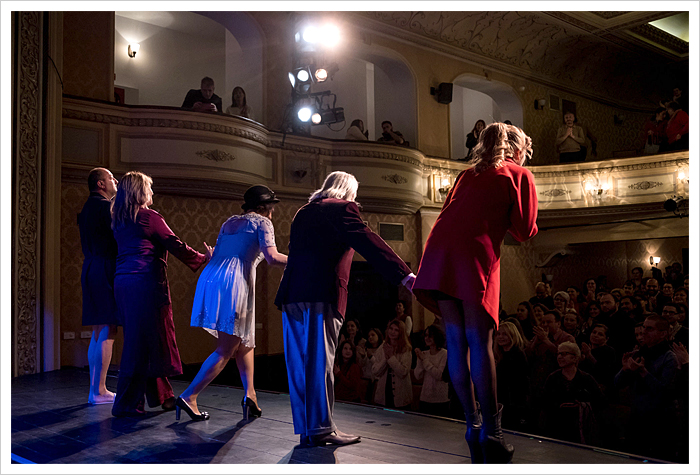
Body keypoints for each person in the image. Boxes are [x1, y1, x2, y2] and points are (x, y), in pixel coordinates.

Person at [412, 122, 538, 464]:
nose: (525, 157)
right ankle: (493, 434)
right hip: (475, 255)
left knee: (456, 341)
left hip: (439, 251)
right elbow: (525, 230)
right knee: (479, 343)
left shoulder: (468, 174)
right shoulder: (517, 175)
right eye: (525, 151)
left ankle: (473, 424)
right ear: (516, 149)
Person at [274, 171, 415, 448]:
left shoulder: (303, 211)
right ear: (349, 192)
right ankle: (323, 428)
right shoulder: (343, 209)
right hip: (322, 292)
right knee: (320, 362)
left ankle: (308, 429)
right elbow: (370, 242)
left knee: (299, 365)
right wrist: (404, 275)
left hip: (292, 294)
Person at [177, 185, 287, 421]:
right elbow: (273, 257)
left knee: (244, 342)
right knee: (227, 348)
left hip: (214, 277)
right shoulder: (262, 222)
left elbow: (220, 254)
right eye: (271, 207)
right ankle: (189, 396)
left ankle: (251, 397)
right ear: (261, 207)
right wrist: (302, 261)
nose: (273, 212)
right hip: (235, 283)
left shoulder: (229, 222)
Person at [110, 172, 211, 417]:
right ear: (139, 191)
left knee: (146, 339)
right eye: (149, 188)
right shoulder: (148, 217)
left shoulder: (120, 219)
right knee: (140, 343)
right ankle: (126, 404)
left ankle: (164, 397)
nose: (153, 193)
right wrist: (203, 258)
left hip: (123, 282)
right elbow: (174, 243)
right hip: (144, 283)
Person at [79, 167, 120, 405]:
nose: (115, 180)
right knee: (108, 328)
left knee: (97, 331)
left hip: (91, 267)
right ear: (101, 184)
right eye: (111, 178)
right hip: (105, 267)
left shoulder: (87, 207)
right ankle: (100, 390)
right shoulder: (105, 207)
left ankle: (95, 389)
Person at [541, 342, 605, 445]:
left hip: (580, 430)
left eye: (564, 354)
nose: (560, 357)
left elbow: (600, 401)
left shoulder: (586, 379)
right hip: (556, 427)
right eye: (558, 354)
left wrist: (581, 406)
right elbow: (544, 401)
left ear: (575, 358)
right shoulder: (553, 378)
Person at [493, 322, 530, 430]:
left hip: (513, 402)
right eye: (498, 334)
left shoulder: (518, 355)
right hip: (501, 399)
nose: (500, 337)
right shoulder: (499, 354)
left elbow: (518, 380)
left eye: (504, 334)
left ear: (512, 335)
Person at [372, 319, 413, 410]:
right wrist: (386, 358)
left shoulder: (406, 349)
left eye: (396, 330)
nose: (393, 332)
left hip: (401, 394)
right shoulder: (382, 347)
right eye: (391, 329)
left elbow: (403, 372)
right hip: (384, 392)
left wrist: (391, 357)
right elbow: (375, 371)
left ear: (400, 332)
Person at [414, 325, 449, 416]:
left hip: (441, 399)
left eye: (430, 335)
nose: (427, 338)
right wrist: (420, 361)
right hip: (425, 397)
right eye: (425, 335)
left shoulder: (444, 354)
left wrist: (425, 360)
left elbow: (439, 375)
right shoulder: (424, 354)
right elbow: (417, 376)